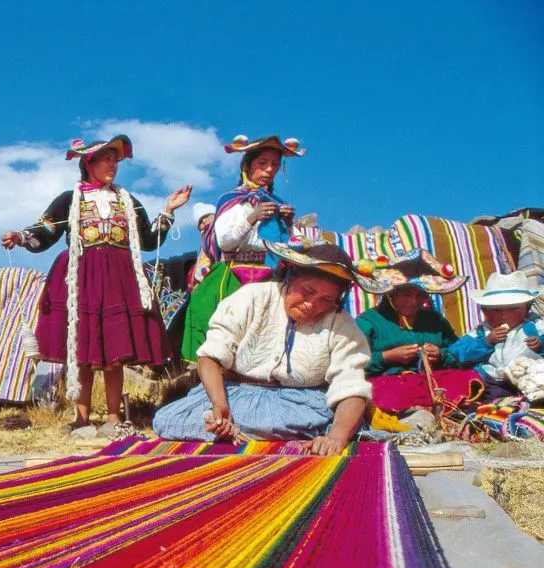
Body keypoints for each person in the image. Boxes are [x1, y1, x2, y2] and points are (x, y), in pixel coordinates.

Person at [1, 135, 191, 429]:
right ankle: (81, 417)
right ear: (88, 162)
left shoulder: (127, 201)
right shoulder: (70, 199)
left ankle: (114, 417)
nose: (112, 164)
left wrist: (168, 210)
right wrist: (20, 236)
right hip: (82, 276)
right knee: (83, 348)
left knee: (114, 350)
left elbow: (148, 241)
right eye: (106, 158)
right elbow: (46, 231)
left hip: (119, 277)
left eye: (115, 159)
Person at [153, 240, 372, 456]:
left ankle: (246, 433)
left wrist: (337, 436)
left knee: (337, 423)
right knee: (167, 420)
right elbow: (210, 357)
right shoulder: (252, 297)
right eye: (307, 291)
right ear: (290, 276)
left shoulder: (342, 324)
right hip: (234, 397)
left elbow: (351, 387)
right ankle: (260, 433)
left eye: (326, 299)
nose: (312, 305)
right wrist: (219, 405)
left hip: (300, 406)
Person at [182, 135, 305, 362]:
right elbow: (224, 242)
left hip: (269, 278)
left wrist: (287, 224)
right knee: (229, 336)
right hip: (233, 277)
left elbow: (285, 248)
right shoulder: (232, 200)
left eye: (275, 165)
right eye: (262, 163)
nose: (269, 170)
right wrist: (253, 217)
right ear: (247, 165)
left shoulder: (276, 202)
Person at [353, 249, 482, 414]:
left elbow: (456, 354)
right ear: (390, 294)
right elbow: (352, 365)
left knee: (466, 378)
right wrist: (386, 357)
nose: (414, 302)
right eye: (406, 294)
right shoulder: (368, 321)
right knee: (382, 392)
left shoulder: (435, 320)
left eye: (421, 295)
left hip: (432, 382)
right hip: (388, 383)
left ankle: (433, 410)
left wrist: (440, 355)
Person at [448, 271, 542, 399]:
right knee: (493, 398)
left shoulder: (536, 325)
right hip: (494, 382)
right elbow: (457, 353)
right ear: (485, 310)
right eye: (497, 310)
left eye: (514, 308)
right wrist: (486, 342)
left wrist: (541, 345)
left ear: (527, 307)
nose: (505, 316)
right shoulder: (481, 331)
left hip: (531, 378)